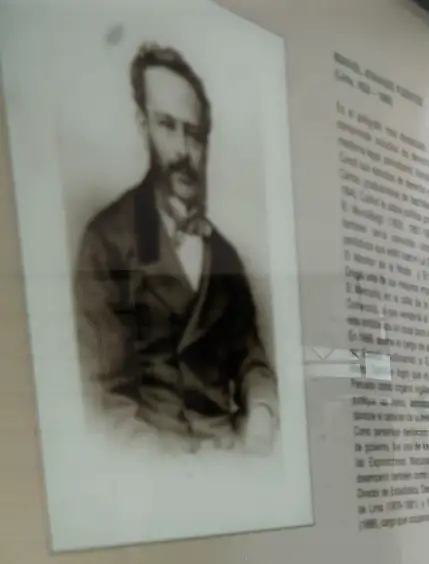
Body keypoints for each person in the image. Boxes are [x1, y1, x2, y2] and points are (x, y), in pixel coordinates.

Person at [75, 43, 277, 446]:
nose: (184, 151)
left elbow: (252, 362)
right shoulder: (107, 241)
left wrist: (262, 414)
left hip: (227, 454)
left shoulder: (223, 254)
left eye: (195, 134)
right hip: (151, 461)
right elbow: (107, 398)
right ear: (143, 126)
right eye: (167, 126)